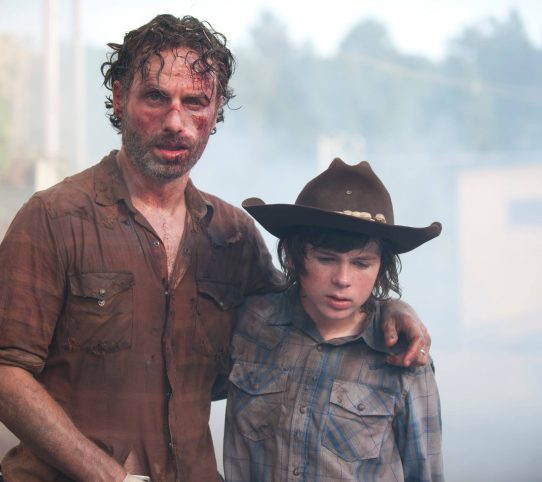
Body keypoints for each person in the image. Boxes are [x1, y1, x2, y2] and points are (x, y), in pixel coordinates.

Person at [0, 14, 430, 482]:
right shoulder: (55, 219)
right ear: (120, 98)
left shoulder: (233, 236)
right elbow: (6, 371)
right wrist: (108, 477)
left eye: (195, 102)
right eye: (156, 98)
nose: (175, 122)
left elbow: (307, 312)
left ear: (216, 109)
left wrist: (388, 307)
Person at [224, 158, 444, 481]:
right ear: (293, 256)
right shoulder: (249, 324)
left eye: (361, 264)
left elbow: (425, 474)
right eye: (326, 259)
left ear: (381, 267)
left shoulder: (404, 358)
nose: (342, 279)